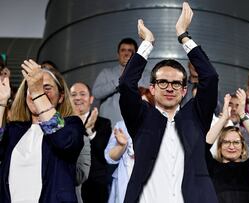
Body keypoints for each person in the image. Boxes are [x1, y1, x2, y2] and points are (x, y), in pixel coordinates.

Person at [118, 2, 219, 202]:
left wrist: (183, 35)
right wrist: (147, 43)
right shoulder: (141, 117)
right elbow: (127, 84)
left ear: (184, 90)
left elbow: (210, 77)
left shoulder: (196, 115)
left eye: (176, 83)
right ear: (152, 88)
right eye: (163, 82)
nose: (170, 88)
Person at [0, 59, 84, 202]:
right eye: (32, 88)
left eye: (47, 87)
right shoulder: (15, 129)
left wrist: (38, 93)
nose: (36, 92)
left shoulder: (71, 125)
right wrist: (1, 103)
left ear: (61, 97)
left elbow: (63, 141)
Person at [206, 89, 249, 203]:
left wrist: (242, 114)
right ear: (219, 146)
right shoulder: (211, 167)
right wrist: (223, 119)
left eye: (236, 142)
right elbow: (204, 146)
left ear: (243, 147)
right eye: (226, 142)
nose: (231, 146)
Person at [105, 87, 154, 203]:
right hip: (124, 184)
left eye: (145, 105)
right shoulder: (121, 126)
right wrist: (122, 146)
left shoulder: (159, 127)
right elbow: (109, 157)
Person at [70, 82, 112, 203]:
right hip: (68, 184)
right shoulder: (62, 122)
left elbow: (104, 153)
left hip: (95, 186)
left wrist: (90, 131)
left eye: (82, 94)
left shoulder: (103, 123)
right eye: (73, 94)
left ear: (91, 99)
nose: (78, 98)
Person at [93, 37, 149, 127]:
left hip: (137, 127)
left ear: (136, 55)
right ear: (118, 54)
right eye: (123, 50)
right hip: (109, 128)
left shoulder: (146, 75)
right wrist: (117, 82)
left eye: (130, 50)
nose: (126, 54)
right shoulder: (106, 73)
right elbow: (96, 93)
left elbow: (150, 97)